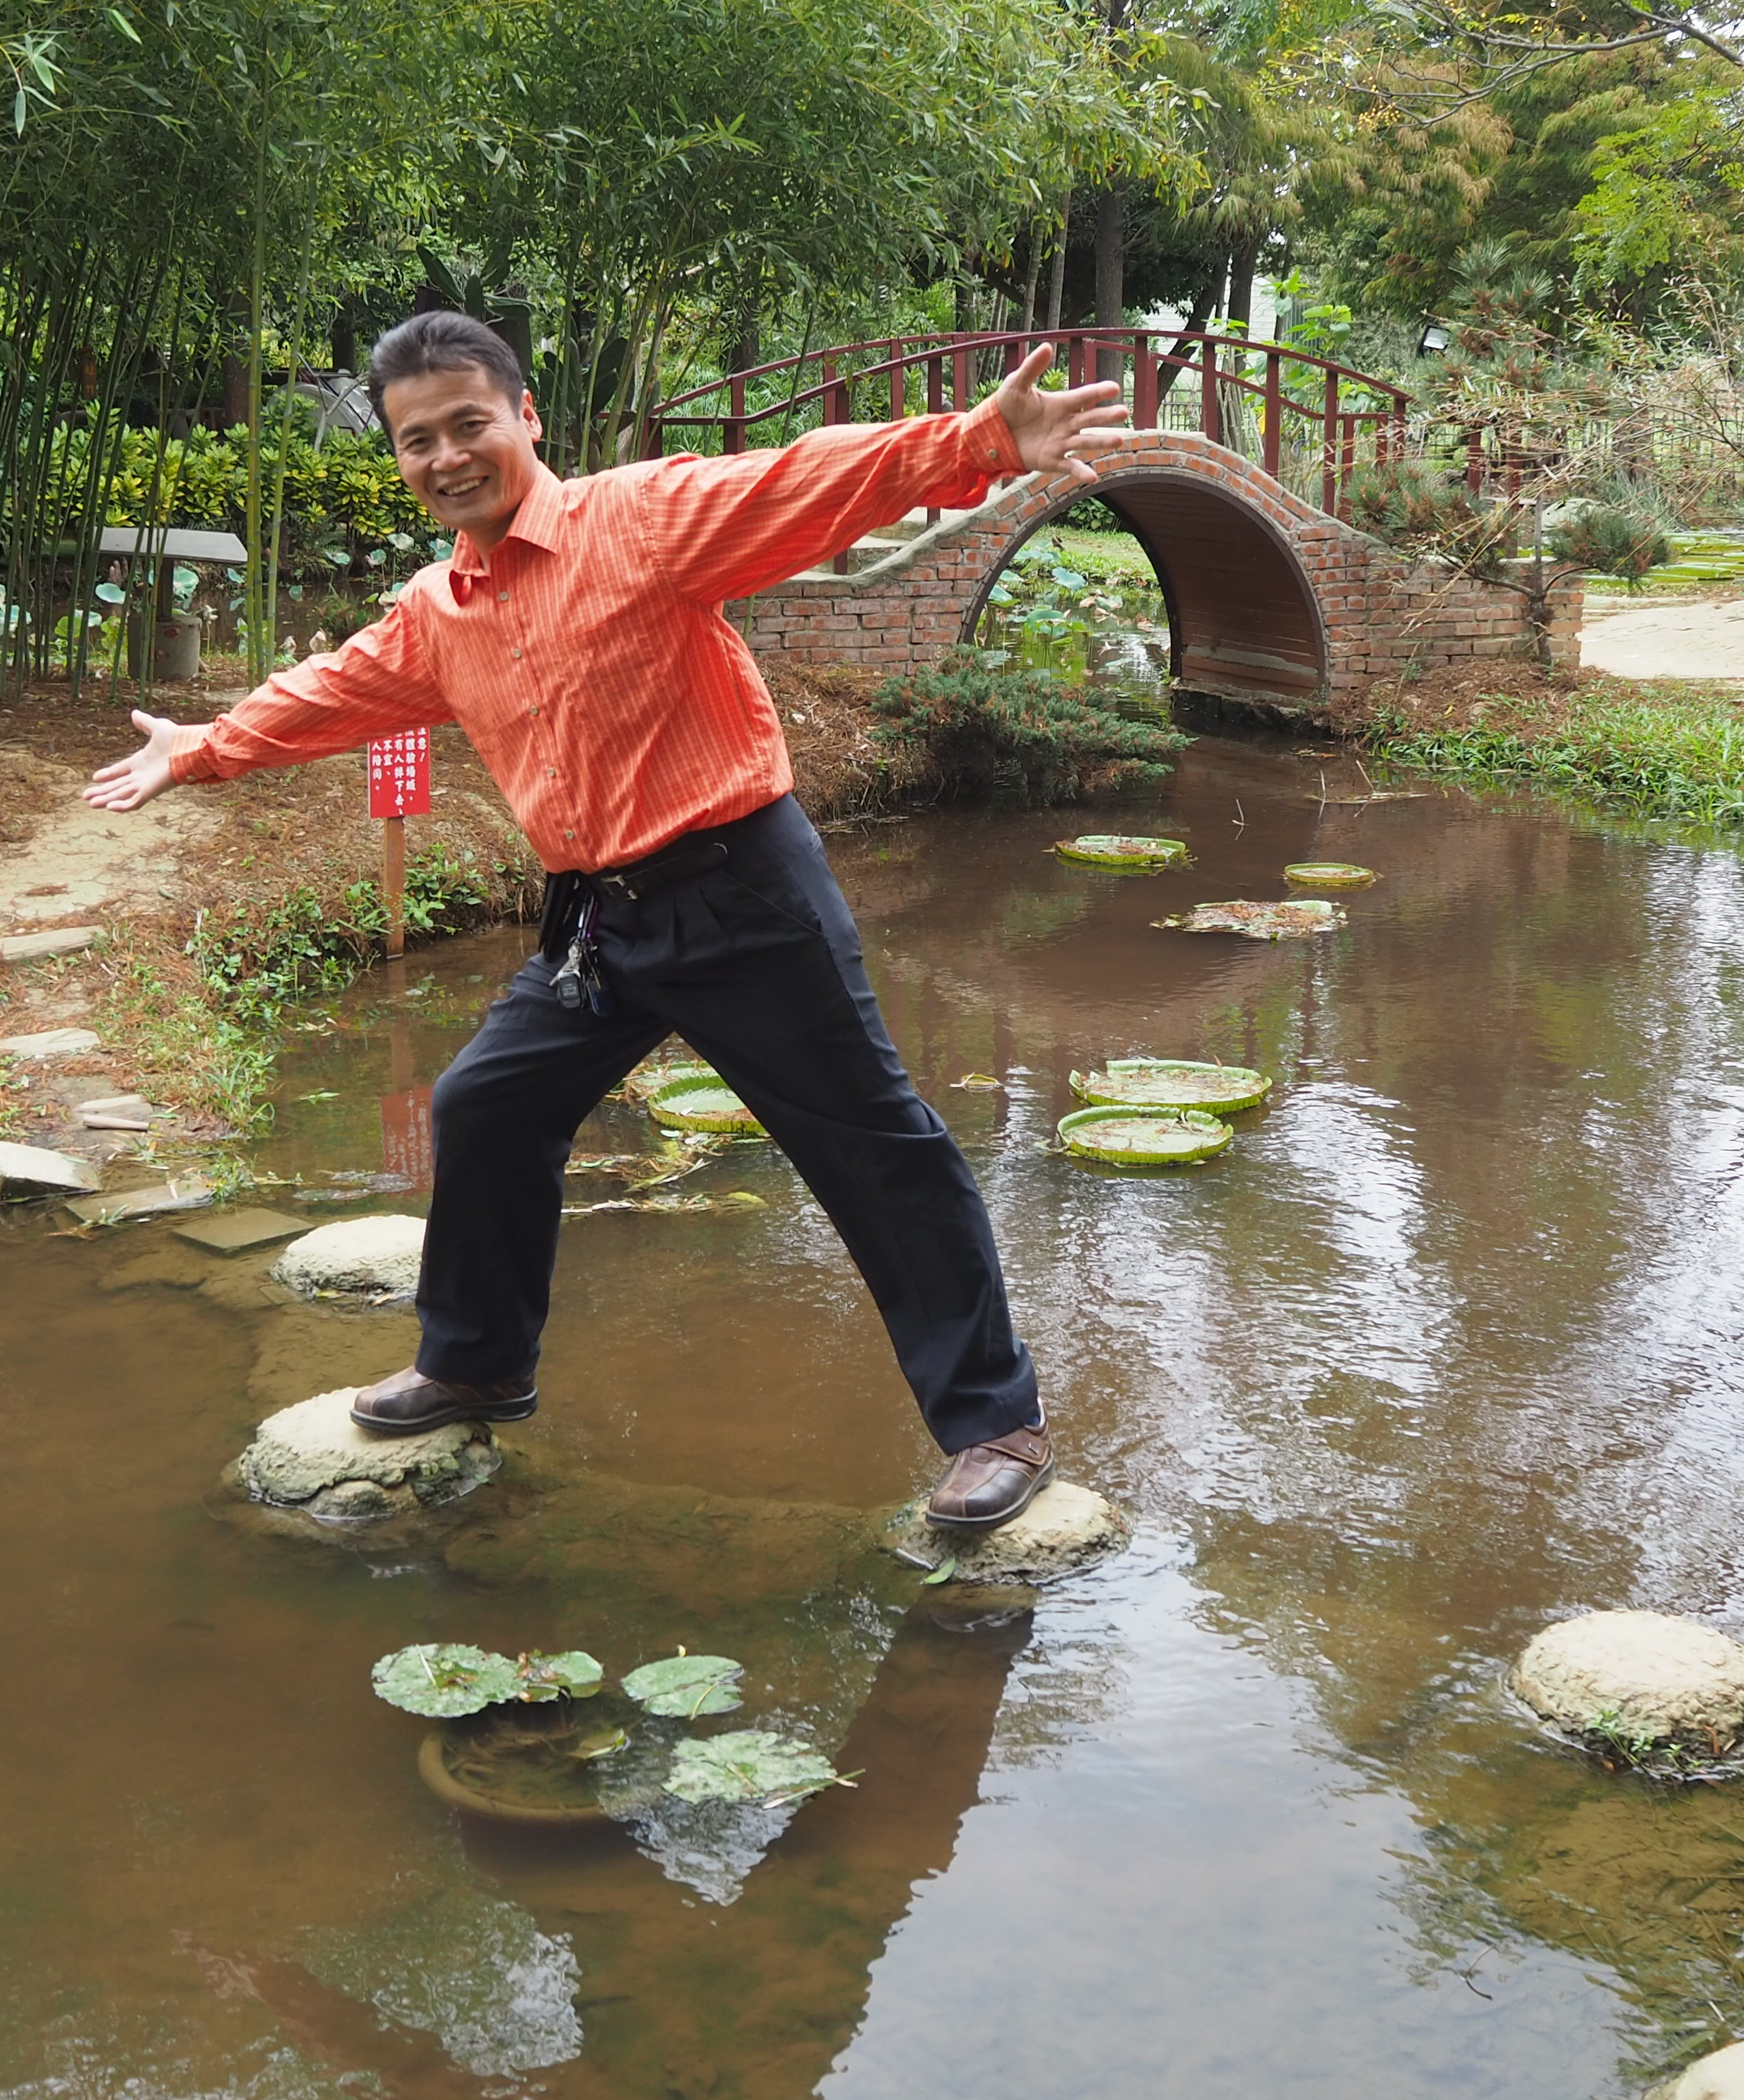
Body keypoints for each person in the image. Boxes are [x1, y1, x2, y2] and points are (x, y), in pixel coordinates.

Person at [85, 312, 1129, 1530]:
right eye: (417, 440)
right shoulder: (441, 606)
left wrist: (980, 442)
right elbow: (342, 688)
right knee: (484, 1102)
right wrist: (203, 748)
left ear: (527, 418)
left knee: (871, 1142)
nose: (446, 456)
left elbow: (801, 480)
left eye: (470, 424)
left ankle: (994, 1422)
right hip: (599, 918)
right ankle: (476, 1359)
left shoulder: (635, 519)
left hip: (741, 890)